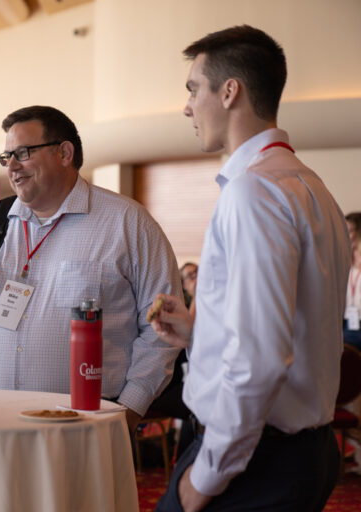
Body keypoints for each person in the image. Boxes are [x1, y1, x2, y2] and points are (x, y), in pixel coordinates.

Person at [150, 26, 350, 512]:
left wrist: (207, 476)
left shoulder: (253, 192)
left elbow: (260, 356)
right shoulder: (312, 187)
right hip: (299, 450)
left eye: (193, 89)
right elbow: (295, 331)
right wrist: (200, 332)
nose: (187, 106)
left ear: (230, 90)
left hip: (254, 458)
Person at [0, 105, 182, 431]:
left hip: (85, 423)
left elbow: (162, 329)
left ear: (64, 153)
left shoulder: (126, 222)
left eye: (22, 153)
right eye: (6, 156)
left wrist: (131, 407)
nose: (11, 166)